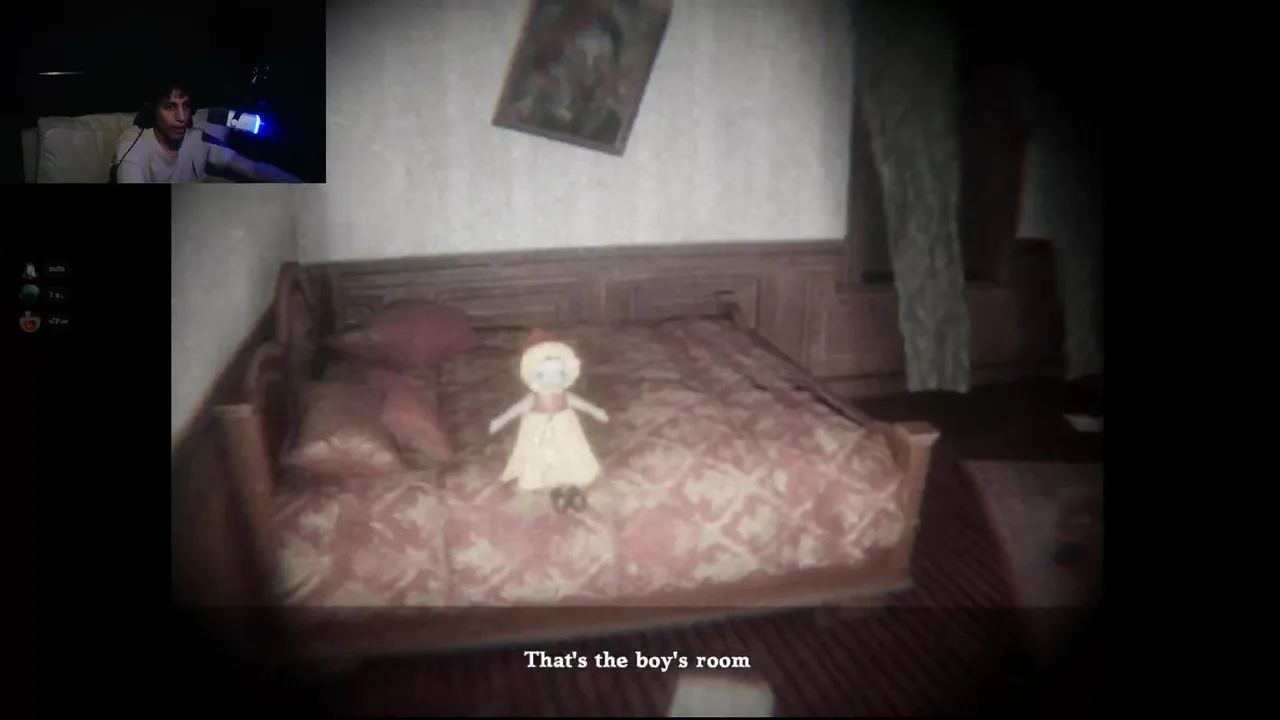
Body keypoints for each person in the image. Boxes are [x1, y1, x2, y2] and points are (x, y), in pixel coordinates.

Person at [111, 79, 301, 183]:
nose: (182, 117)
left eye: (186, 105)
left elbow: (253, 169)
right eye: (170, 107)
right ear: (152, 110)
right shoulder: (132, 145)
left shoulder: (197, 138)